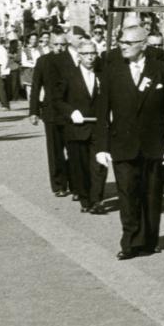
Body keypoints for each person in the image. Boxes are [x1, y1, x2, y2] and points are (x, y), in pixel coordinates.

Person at [93, 25, 164, 259]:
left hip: (154, 144)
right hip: (122, 144)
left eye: (128, 43)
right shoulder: (112, 71)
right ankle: (130, 242)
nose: (123, 46)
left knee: (152, 195)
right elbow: (102, 112)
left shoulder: (162, 70)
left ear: (143, 44)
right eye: (121, 42)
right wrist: (101, 147)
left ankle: (150, 240)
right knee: (127, 194)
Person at [54, 37, 106, 214]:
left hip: (99, 127)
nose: (90, 57)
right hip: (77, 128)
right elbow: (57, 100)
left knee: (99, 165)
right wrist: (71, 112)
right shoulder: (69, 75)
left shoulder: (103, 74)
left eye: (93, 54)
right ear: (79, 56)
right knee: (80, 166)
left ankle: (97, 199)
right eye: (86, 54)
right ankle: (85, 199)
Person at [29, 32, 72, 198]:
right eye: (56, 44)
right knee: (55, 152)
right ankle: (59, 185)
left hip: (70, 112)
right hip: (51, 112)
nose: (59, 48)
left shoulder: (72, 61)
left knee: (74, 150)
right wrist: (33, 111)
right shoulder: (43, 61)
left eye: (62, 44)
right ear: (50, 45)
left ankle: (75, 184)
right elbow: (36, 87)